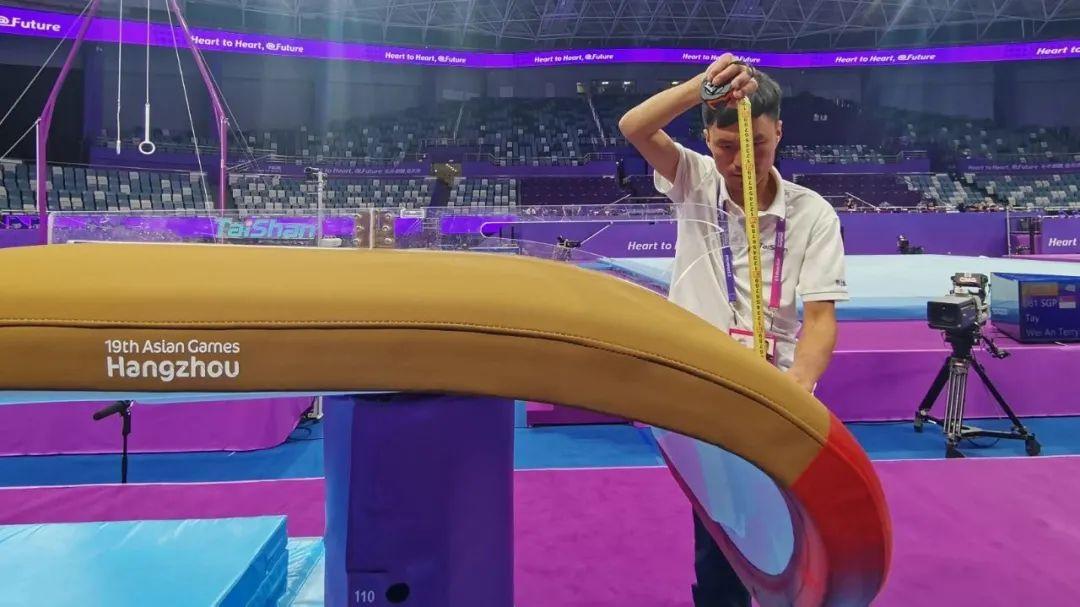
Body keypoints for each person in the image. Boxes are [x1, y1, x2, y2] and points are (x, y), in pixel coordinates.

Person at [618, 55, 849, 606]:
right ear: (707, 139)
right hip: (705, 389)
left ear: (779, 133)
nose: (742, 161)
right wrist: (702, 85)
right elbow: (634, 126)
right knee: (719, 537)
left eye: (758, 144)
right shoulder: (693, 180)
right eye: (726, 147)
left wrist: (795, 391)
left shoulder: (813, 214)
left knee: (785, 534)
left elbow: (820, 317)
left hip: (776, 392)